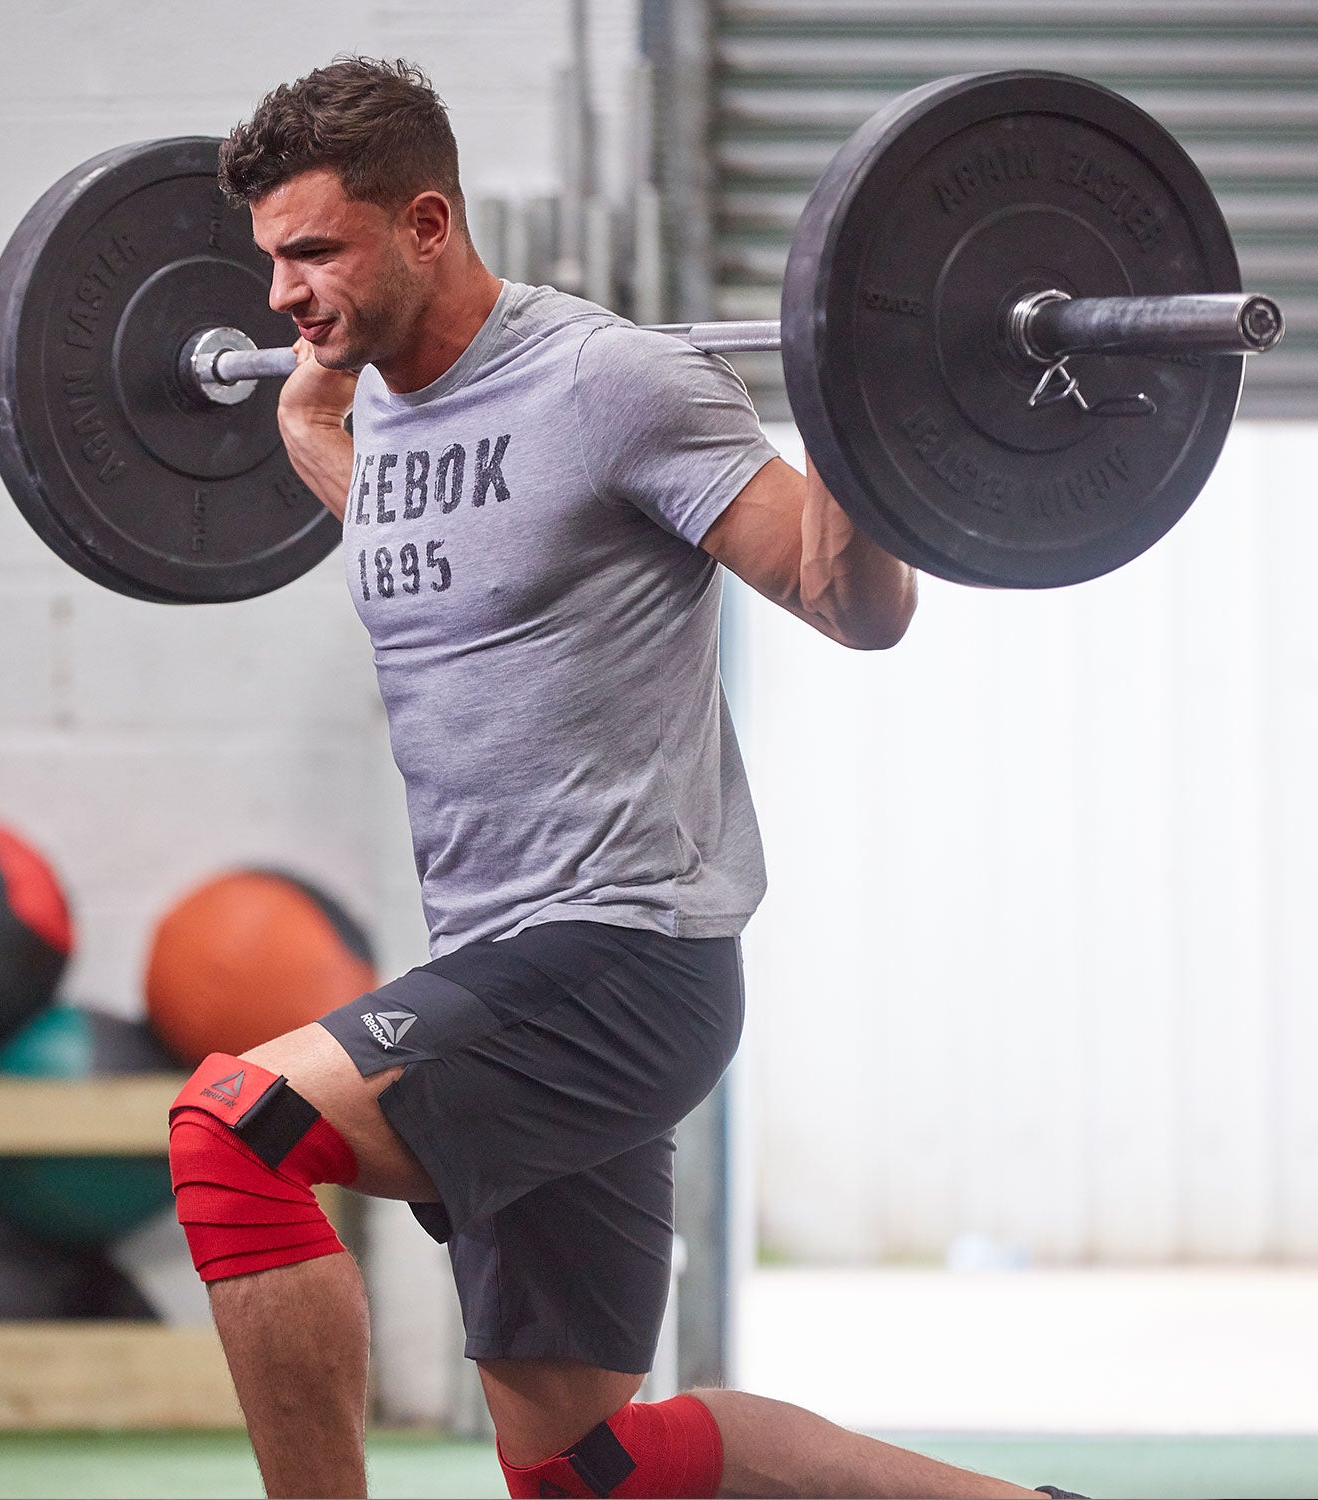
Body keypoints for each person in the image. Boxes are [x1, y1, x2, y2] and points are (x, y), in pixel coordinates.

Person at [166, 55, 1072, 1500]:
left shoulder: (613, 384)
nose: (280, 296)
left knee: (238, 1133)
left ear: (428, 223)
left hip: (626, 956)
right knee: (594, 1470)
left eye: (315, 251)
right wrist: (307, 416)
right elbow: (397, 510)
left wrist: (868, 390)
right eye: (271, 259)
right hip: (508, 964)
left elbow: (859, 606)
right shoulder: (363, 407)